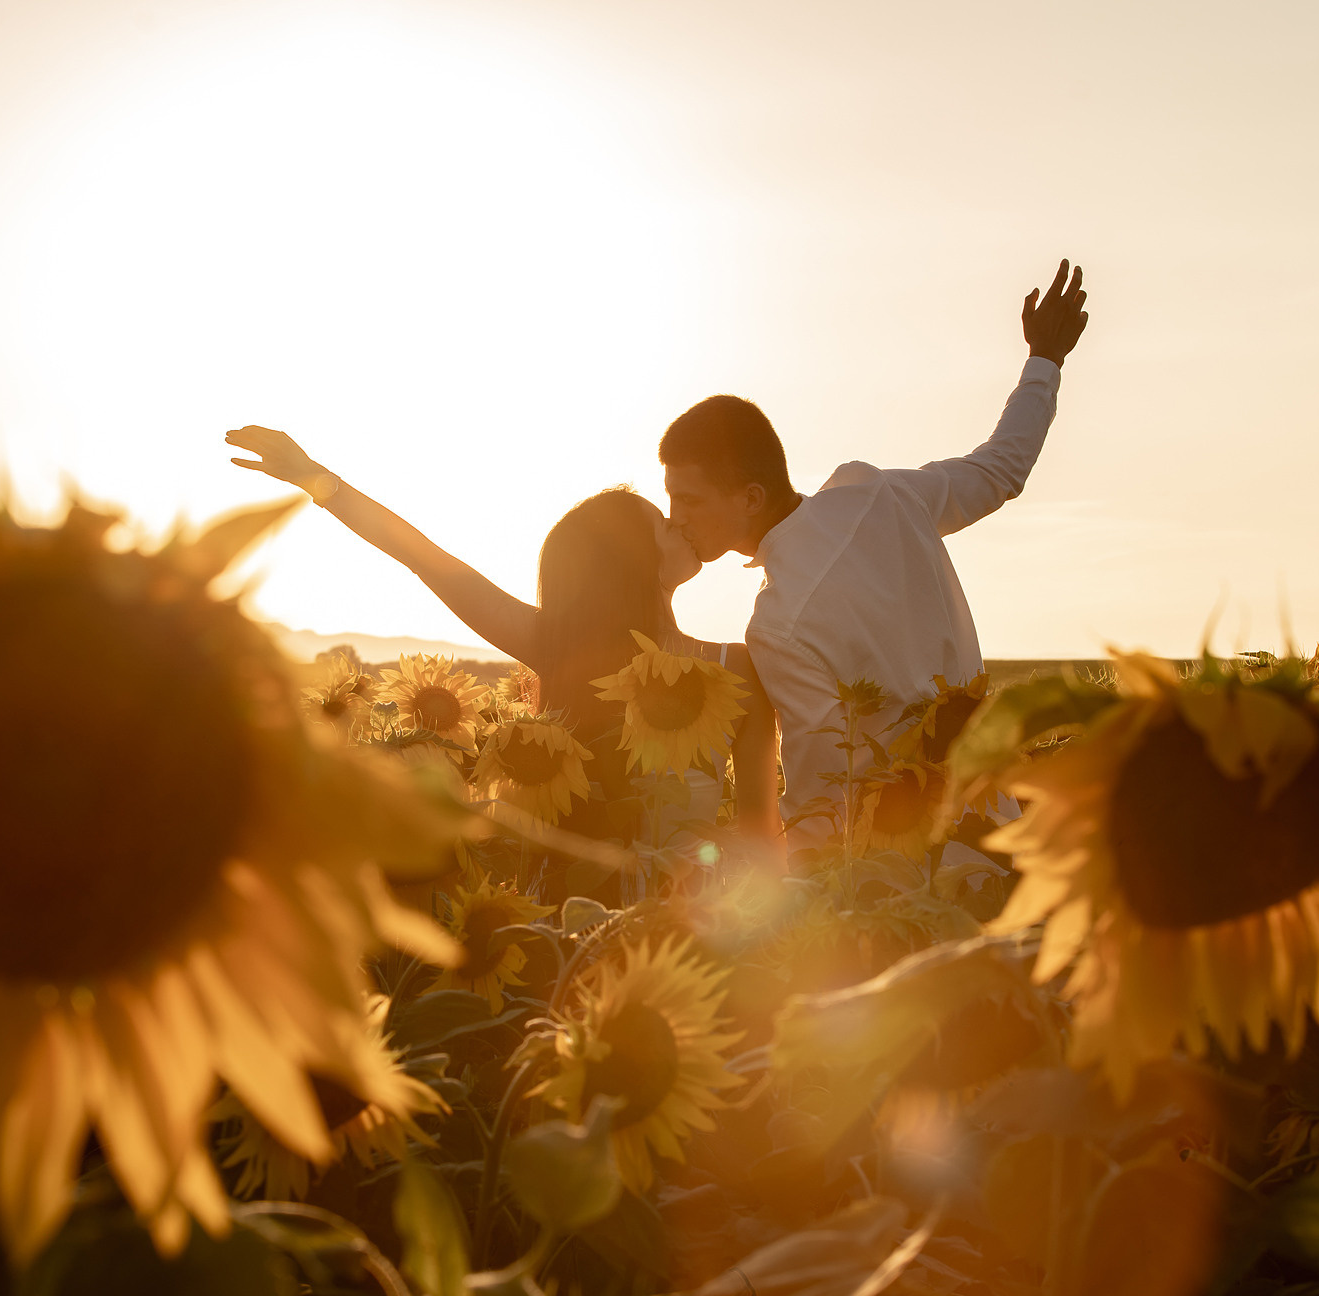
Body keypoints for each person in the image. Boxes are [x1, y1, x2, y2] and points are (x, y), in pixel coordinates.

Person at [659, 259, 1089, 850]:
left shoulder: (777, 627)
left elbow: (821, 796)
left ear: (749, 496)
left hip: (909, 873)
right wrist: (1045, 360)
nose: (674, 518)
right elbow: (999, 470)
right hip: (1002, 828)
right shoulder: (880, 496)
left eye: (688, 499)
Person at [221, 427, 782, 868]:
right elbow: (427, 559)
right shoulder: (562, 647)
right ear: (629, 558)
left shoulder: (740, 669)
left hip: (693, 930)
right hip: (570, 922)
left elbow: (762, 834)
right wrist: (317, 479)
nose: (681, 523)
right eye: (661, 522)